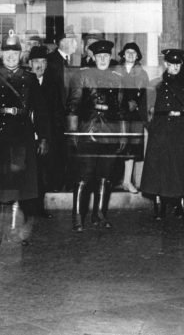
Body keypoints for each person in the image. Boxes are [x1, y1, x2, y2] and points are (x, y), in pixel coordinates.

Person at [0, 30, 49, 248]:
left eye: (14, 53)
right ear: (2, 54)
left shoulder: (29, 79)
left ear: (20, 55)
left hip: (22, 135)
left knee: (18, 187)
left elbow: (41, 111)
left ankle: (15, 231)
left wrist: (43, 137)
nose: (10, 57)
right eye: (6, 53)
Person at [67, 39, 125, 230]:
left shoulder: (117, 78)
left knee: (105, 176)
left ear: (110, 57)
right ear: (93, 57)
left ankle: (99, 215)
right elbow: (72, 107)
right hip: (87, 133)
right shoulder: (81, 76)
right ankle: (77, 217)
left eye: (106, 56)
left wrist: (122, 134)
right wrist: (73, 133)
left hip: (109, 134)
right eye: (99, 56)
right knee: (83, 176)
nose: (102, 59)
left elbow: (120, 110)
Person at [140, 49, 184, 219]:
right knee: (159, 169)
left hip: (182, 130)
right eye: (171, 63)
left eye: (178, 63)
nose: (175, 66)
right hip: (161, 130)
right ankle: (159, 207)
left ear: (182, 64)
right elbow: (144, 110)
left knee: (183, 168)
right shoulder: (156, 84)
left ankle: (182, 206)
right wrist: (152, 128)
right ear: (165, 64)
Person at [45, 30, 78, 192]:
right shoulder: (51, 61)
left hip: (68, 118)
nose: (76, 44)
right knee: (56, 154)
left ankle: (65, 183)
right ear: (63, 42)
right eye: (73, 41)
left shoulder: (70, 61)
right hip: (55, 118)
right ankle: (55, 185)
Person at [26, 44, 56, 218]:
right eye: (36, 61)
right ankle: (26, 208)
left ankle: (39, 207)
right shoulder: (24, 80)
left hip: (44, 135)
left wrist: (47, 137)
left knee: (42, 173)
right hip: (26, 134)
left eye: (43, 61)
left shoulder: (52, 83)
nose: (40, 65)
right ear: (30, 63)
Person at [116, 42, 148, 193]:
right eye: (127, 52)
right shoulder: (115, 70)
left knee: (130, 150)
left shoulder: (142, 73)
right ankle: (113, 180)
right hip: (116, 115)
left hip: (133, 115)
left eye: (133, 53)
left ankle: (127, 181)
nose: (130, 55)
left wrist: (136, 103)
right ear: (123, 54)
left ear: (137, 56)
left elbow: (145, 96)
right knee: (116, 147)